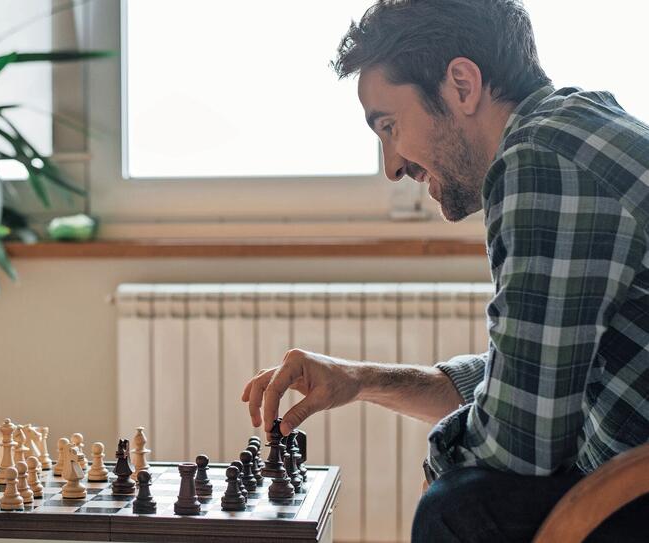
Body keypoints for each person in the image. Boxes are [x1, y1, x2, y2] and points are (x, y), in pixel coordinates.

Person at [242, 0, 649, 541]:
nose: (391, 167)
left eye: (389, 126)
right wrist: (361, 380)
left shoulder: (541, 160)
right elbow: (534, 382)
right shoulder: (573, 129)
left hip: (630, 490)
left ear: (461, 84)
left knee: (460, 505)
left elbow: (518, 444)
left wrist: (441, 459)